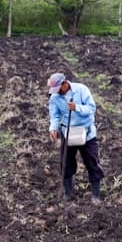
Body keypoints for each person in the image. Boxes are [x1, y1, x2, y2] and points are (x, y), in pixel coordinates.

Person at [47, 73, 104, 203]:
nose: (57, 92)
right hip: (68, 133)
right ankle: (68, 194)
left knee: (92, 162)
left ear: (65, 83)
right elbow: (54, 116)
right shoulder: (55, 98)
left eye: (58, 88)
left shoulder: (81, 90)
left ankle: (96, 195)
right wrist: (53, 128)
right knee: (65, 163)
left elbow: (91, 108)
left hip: (86, 132)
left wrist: (77, 108)